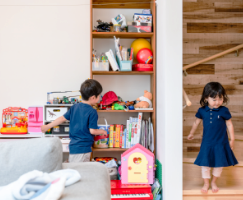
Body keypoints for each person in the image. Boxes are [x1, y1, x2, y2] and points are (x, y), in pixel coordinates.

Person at [187, 82, 238, 193]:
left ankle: (214, 182)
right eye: (214, 99)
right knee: (205, 164)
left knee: (219, 164)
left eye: (220, 99)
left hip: (221, 142)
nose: (217, 102)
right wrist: (191, 133)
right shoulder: (202, 110)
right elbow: (196, 123)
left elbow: (229, 124)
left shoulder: (224, 110)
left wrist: (232, 139)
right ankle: (206, 183)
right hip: (207, 142)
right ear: (206, 98)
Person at [41, 79, 107, 162]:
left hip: (73, 147)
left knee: (75, 168)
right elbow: (93, 131)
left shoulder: (74, 107)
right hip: (83, 148)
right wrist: (102, 131)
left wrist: (48, 126)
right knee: (80, 172)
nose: (100, 98)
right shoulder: (92, 111)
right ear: (93, 97)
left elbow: (62, 118)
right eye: (99, 96)